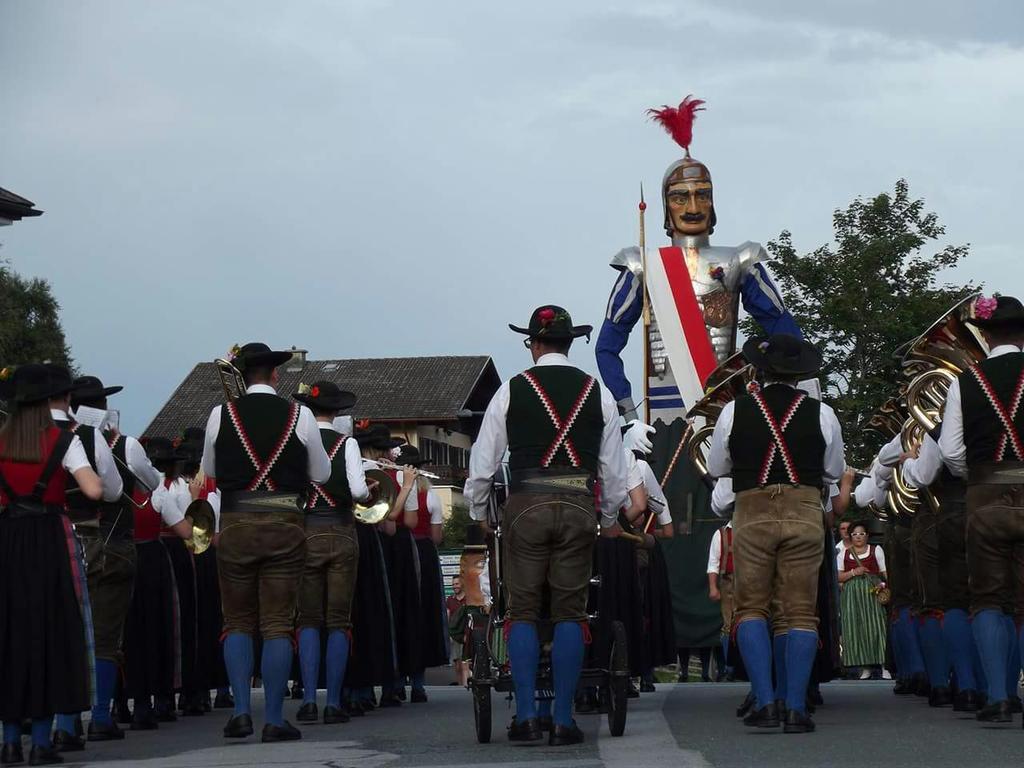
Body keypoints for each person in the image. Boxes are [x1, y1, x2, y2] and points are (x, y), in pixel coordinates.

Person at [596, 96, 801, 668]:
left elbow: (784, 330)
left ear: (715, 204)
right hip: (660, 418)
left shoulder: (740, 259)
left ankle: (734, 640)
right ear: (664, 206)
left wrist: (790, 389)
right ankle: (666, 646)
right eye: (681, 195)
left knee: (729, 526)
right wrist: (626, 410)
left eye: (702, 194)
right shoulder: (642, 263)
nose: (692, 203)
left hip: (730, 415)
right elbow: (608, 345)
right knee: (668, 532)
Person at [465, 305, 629, 746]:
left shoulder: (511, 390)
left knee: (521, 611)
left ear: (534, 344)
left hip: (526, 504)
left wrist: (479, 512)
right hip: (578, 503)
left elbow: (483, 464)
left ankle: (525, 717)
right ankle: (562, 720)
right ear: (570, 343)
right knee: (570, 611)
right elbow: (615, 470)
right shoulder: (597, 392)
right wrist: (609, 516)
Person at [708, 333, 845, 733]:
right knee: (799, 610)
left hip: (752, 510)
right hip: (804, 509)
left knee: (751, 607)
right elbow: (834, 471)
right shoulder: (823, 413)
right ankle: (795, 707)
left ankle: (766, 701)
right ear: (800, 374)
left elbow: (718, 466)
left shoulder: (734, 410)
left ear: (759, 372)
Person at [200, 342, 331, 742]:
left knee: (237, 621)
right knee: (277, 623)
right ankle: (273, 718)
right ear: (275, 375)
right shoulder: (301, 414)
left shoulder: (220, 413)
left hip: (237, 522)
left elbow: (209, 469)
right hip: (285, 525)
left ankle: (241, 711)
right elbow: (322, 474)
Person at [0, 365, 103, 766]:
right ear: (48, 403)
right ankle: (41, 743)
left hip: (8, 540)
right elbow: (94, 489)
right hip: (49, 539)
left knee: (10, 635)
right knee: (51, 634)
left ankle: (9, 740)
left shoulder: (2, 441)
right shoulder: (64, 440)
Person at [938, 295, 1024, 723]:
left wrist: (978, 474)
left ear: (984, 335)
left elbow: (951, 451)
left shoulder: (963, 381)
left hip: (985, 494)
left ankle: (999, 697)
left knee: (989, 597)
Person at [48, 369, 124, 748]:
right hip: (86, 535)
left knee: (48, 630)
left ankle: (51, 722)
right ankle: (96, 715)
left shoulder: (18, 435)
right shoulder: (89, 436)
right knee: (100, 629)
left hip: (33, 539)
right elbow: (111, 491)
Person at [292, 381, 368, 725]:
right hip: (340, 530)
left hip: (305, 531)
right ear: (337, 412)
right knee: (338, 619)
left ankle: (308, 699)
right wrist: (370, 492)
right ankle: (333, 702)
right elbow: (358, 491)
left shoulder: (298, 442)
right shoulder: (346, 442)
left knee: (308, 618)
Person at [903, 430, 984, 711]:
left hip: (947, 511)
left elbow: (922, 475)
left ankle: (954, 685)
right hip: (997, 504)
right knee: (999, 601)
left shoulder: (937, 430)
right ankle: (999, 691)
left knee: (944, 600)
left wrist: (908, 462)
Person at [122, 437, 194, 730]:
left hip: (125, 556)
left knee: (127, 631)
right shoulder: (159, 495)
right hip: (153, 559)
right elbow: (185, 530)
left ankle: (126, 703)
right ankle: (161, 700)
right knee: (161, 628)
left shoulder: (118, 496)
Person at [396, 444, 450, 703]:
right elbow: (437, 537)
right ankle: (418, 683)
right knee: (423, 614)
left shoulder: (389, 487)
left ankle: (393, 681)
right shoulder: (430, 496)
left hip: (396, 550)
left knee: (397, 613)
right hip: (423, 553)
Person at [837, 522, 888, 678]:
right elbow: (838, 576)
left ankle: (884, 665)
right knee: (857, 629)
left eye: (861, 534)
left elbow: (884, 572)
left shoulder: (876, 550)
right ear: (850, 536)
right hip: (852, 598)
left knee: (877, 627)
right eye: (855, 534)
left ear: (867, 536)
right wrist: (854, 572)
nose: (858, 537)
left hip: (872, 594)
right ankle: (864, 667)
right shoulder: (843, 553)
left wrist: (883, 585)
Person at [446, 577, 468, 687]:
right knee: (457, 664)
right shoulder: (450, 600)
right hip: (455, 636)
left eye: (457, 584)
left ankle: (465, 686)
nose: (455, 586)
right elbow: (447, 617)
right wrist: (448, 634)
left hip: (467, 635)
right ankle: (460, 687)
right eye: (453, 584)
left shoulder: (468, 599)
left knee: (465, 664)